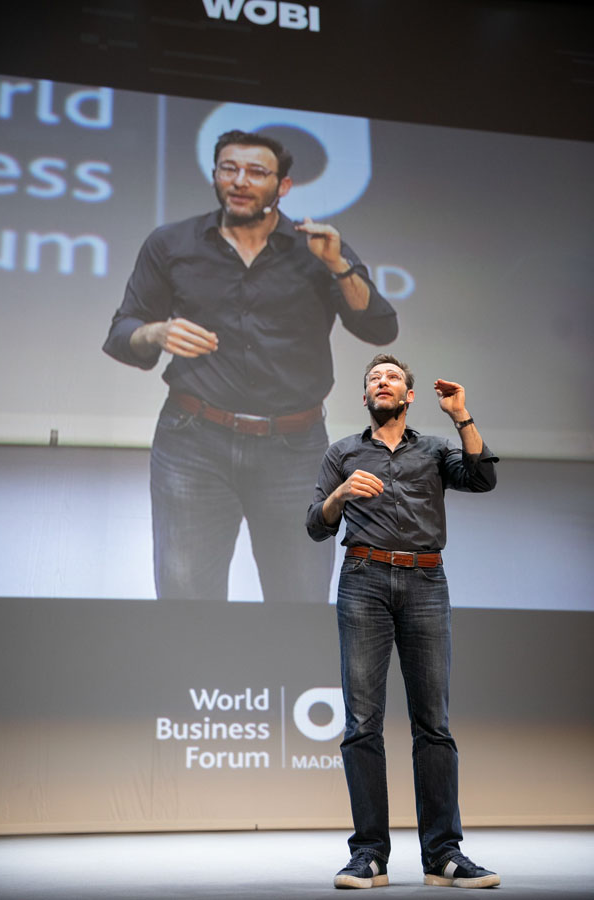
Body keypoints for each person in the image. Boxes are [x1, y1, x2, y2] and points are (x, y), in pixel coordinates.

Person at [103, 130, 398, 602]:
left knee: (299, 594)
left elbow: (380, 327)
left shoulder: (318, 249)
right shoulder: (171, 243)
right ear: (216, 174)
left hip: (295, 448)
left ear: (282, 186)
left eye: (256, 172)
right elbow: (122, 333)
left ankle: (283, 680)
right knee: (185, 596)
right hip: (192, 441)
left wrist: (339, 266)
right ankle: (194, 679)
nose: (239, 181)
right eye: (228, 168)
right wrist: (155, 333)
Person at [306, 354, 501, 889]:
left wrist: (461, 415)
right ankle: (369, 854)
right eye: (373, 378)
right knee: (362, 723)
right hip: (364, 579)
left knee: (433, 724)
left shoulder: (436, 449)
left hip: (425, 582)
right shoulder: (342, 452)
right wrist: (341, 495)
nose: (382, 382)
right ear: (365, 396)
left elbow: (482, 478)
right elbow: (315, 525)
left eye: (392, 377)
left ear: (409, 395)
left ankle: (443, 854)